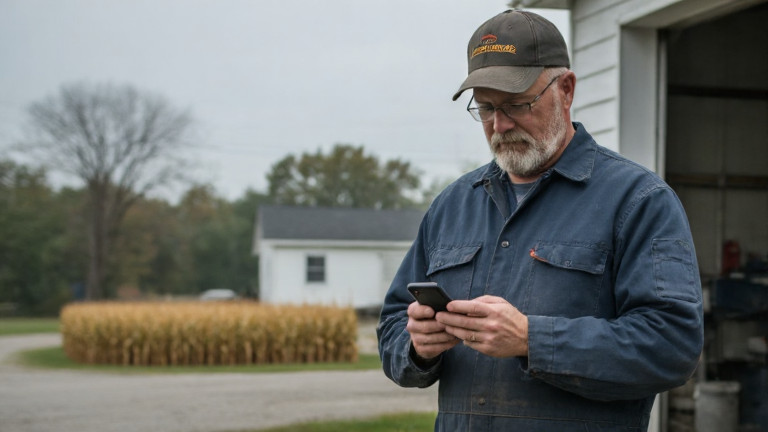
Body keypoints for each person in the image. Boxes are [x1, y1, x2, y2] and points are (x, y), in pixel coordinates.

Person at [377, 9, 703, 431]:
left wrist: (532, 339)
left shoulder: (639, 201)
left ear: (565, 89)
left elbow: (672, 347)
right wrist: (418, 347)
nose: (500, 124)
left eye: (517, 104)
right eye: (487, 108)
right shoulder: (452, 205)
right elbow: (391, 328)